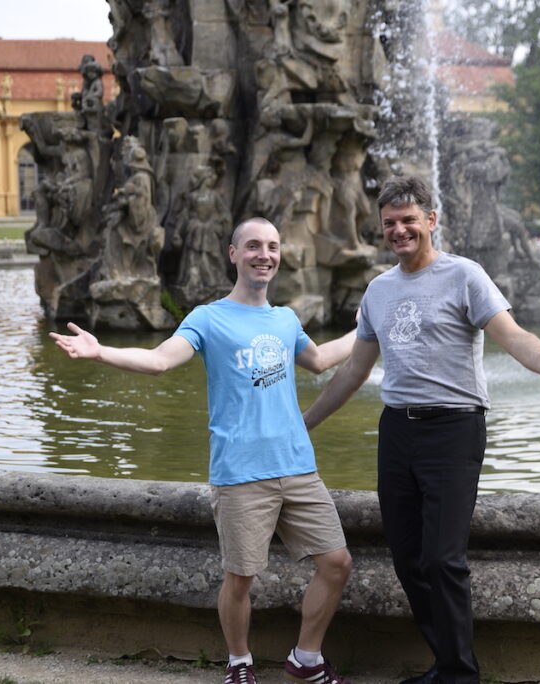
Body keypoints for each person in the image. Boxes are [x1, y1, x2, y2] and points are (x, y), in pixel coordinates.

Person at [303, 176, 540, 684]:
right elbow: (353, 371)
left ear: (431, 221)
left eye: (409, 220)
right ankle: (448, 665)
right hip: (397, 430)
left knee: (442, 558)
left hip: (454, 429)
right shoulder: (378, 290)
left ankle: (459, 674)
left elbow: (511, 333)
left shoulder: (465, 275)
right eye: (390, 223)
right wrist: (303, 425)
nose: (399, 230)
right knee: (408, 556)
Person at [51, 218, 356, 684]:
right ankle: (238, 663)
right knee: (241, 578)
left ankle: (306, 658)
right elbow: (158, 361)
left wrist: (367, 330)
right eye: (253, 246)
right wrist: (101, 352)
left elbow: (317, 360)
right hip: (240, 471)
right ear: (233, 254)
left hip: (298, 467)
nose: (264, 255)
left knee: (337, 564)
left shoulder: (285, 318)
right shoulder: (208, 317)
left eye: (272, 247)